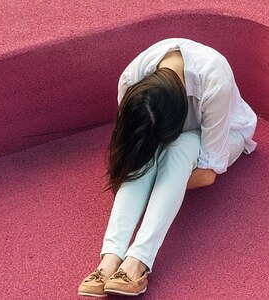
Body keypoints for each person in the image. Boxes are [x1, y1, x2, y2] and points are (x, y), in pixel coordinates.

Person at [78, 37, 258, 297]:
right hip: (176, 137)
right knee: (141, 159)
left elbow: (208, 174)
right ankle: (110, 259)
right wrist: (144, 169)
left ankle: (137, 260)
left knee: (180, 146)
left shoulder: (214, 80)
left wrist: (158, 182)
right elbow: (131, 148)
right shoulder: (132, 80)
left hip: (228, 134)